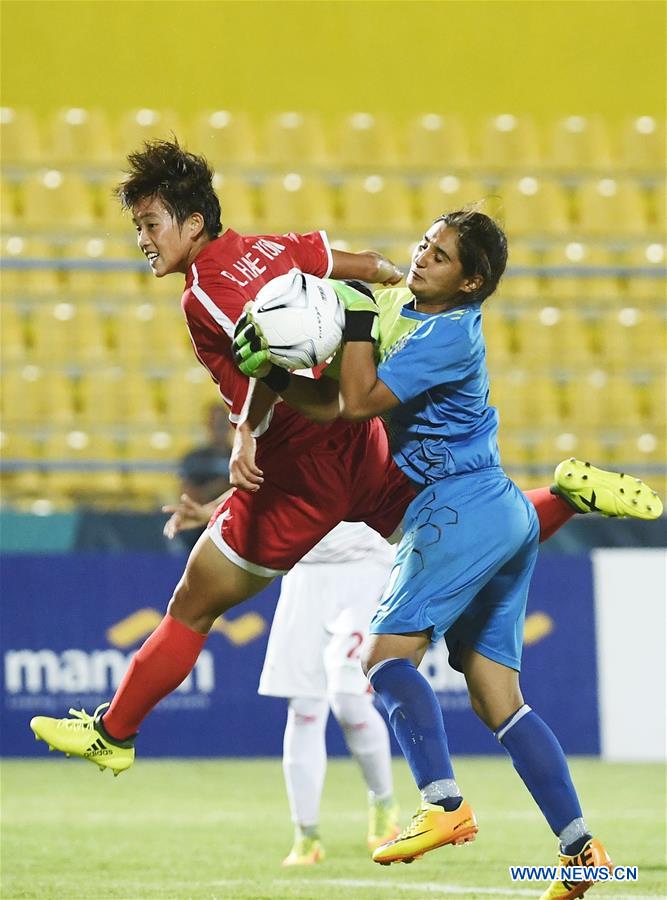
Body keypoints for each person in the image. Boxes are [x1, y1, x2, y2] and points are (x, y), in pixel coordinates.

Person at [29, 140, 660, 782]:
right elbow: (367, 265)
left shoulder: (203, 296)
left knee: (194, 603)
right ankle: (563, 498)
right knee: (445, 532)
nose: (143, 238)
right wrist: (384, 292)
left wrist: (245, 430)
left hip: (298, 476)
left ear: (193, 224)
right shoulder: (272, 247)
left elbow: (266, 359)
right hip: (364, 451)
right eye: (138, 225)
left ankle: (116, 732)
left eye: (151, 223)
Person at [242, 210, 620, 900]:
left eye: (440, 256)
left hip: (454, 512)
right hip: (498, 509)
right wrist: (271, 369)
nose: (421, 256)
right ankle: (581, 850)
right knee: (497, 700)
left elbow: (357, 402)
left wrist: (351, 321)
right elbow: (332, 396)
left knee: (382, 660)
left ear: (470, 281)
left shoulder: (449, 334)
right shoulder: (402, 305)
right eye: (424, 243)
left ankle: (444, 807)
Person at [164, 494, 400, 866]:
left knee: (349, 700)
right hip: (304, 570)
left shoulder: (373, 433)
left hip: (367, 567)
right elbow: (262, 475)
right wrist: (212, 510)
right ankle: (306, 835)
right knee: (304, 707)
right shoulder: (293, 434)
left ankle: (384, 803)